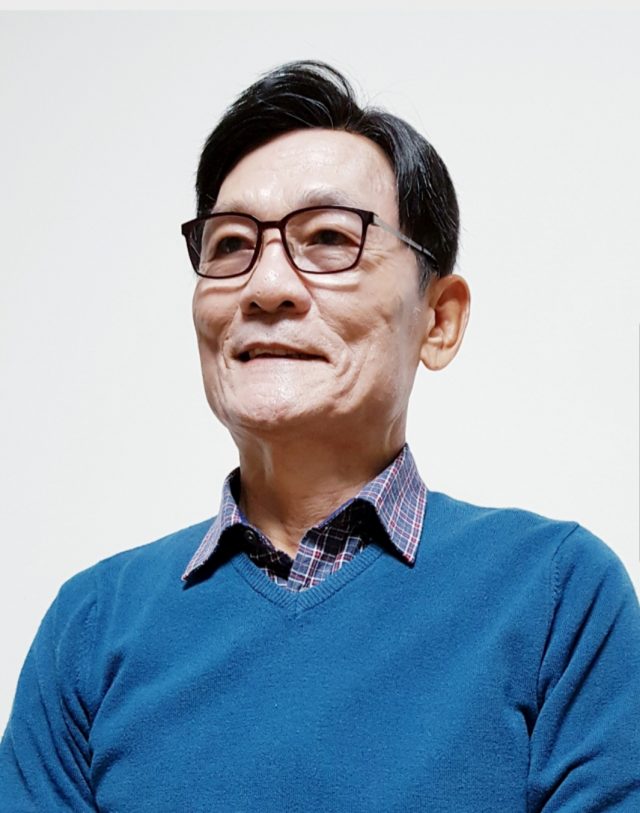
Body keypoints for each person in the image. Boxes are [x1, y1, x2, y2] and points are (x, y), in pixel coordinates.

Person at [1, 60, 639, 812]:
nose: (266, 287)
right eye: (230, 245)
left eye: (330, 237)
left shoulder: (558, 595)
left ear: (439, 320)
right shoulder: (90, 625)